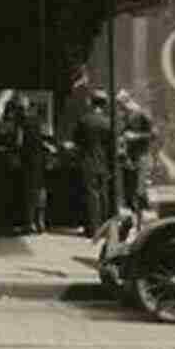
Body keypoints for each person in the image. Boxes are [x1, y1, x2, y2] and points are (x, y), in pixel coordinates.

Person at [74, 91, 114, 239]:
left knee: (91, 196)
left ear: (91, 102)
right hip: (104, 164)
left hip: (88, 162)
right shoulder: (109, 122)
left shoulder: (85, 120)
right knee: (103, 195)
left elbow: (77, 141)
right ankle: (104, 228)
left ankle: (92, 229)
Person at [116, 89, 156, 227]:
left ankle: (143, 222)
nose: (120, 109)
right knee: (130, 191)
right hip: (129, 158)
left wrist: (135, 136)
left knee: (139, 191)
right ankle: (135, 223)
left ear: (128, 101)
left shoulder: (142, 114)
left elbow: (154, 135)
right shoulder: (126, 116)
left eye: (121, 105)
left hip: (141, 157)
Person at [10, 93, 48, 235]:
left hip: (27, 159)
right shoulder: (37, 120)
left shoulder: (20, 121)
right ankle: (41, 221)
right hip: (39, 158)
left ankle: (29, 223)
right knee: (40, 189)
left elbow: (18, 142)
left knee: (29, 191)